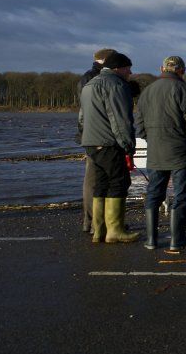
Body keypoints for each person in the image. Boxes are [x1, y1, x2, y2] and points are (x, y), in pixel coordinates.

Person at [135, 56, 186, 251]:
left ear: (162, 68)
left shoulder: (147, 92)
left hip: (156, 151)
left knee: (154, 193)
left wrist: (152, 139)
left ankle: (151, 240)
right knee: (181, 194)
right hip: (181, 152)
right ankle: (177, 239)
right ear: (182, 70)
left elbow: (139, 127)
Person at [79, 52, 139, 243]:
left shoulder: (89, 85)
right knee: (119, 182)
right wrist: (128, 144)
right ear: (117, 68)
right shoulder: (116, 85)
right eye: (128, 68)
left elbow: (81, 118)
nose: (130, 72)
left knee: (101, 184)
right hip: (108, 143)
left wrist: (86, 136)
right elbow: (120, 119)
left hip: (90, 142)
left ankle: (99, 230)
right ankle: (115, 230)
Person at [77, 48, 116, 233]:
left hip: (90, 134)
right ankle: (95, 222)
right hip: (99, 135)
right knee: (96, 178)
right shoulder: (97, 79)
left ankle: (92, 222)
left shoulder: (88, 78)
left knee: (95, 178)